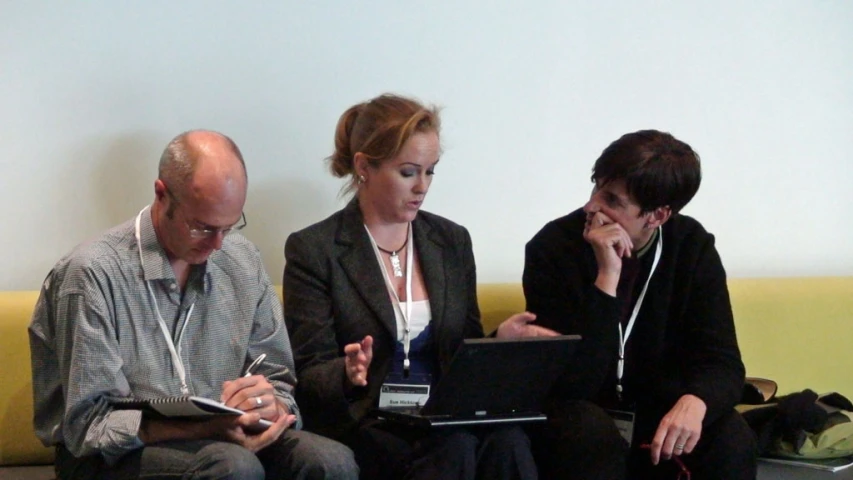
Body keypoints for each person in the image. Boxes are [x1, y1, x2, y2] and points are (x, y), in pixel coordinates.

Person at [29, 130, 358, 480]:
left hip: (224, 438)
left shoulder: (242, 260)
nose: (217, 245)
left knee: (330, 461)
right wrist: (206, 429)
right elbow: (87, 427)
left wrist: (270, 404)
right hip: (113, 454)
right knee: (233, 466)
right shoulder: (91, 275)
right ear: (161, 195)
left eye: (229, 227)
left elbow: (278, 377)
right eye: (202, 227)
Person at [283, 94, 549, 480]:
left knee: (508, 438)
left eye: (431, 171)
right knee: (453, 447)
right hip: (370, 420)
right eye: (408, 172)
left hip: (445, 414)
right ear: (364, 167)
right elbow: (307, 374)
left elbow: (463, 351)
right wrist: (346, 371)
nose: (422, 186)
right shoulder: (315, 250)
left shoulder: (451, 241)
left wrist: (497, 342)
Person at [522, 130, 758, 480]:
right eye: (596, 188)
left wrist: (696, 402)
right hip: (580, 416)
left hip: (655, 417)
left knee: (731, 436)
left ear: (657, 216)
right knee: (584, 429)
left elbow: (722, 361)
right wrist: (607, 277)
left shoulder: (691, 248)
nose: (592, 206)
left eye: (612, 201)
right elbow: (572, 383)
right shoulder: (554, 246)